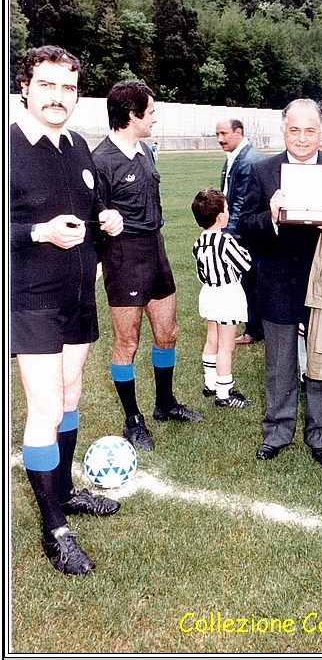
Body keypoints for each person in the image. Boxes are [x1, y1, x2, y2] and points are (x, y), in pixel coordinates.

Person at [11, 45, 124, 575]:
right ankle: (54, 531)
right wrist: (39, 232)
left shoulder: (78, 147)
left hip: (77, 295)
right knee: (47, 408)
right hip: (28, 298)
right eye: (49, 85)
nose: (59, 97)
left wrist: (106, 222)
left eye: (69, 88)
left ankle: (65, 490)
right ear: (25, 87)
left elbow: (89, 210)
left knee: (72, 395)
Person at [237, 99, 322, 465]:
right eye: (295, 130)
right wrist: (270, 216)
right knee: (279, 363)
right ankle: (277, 431)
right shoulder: (262, 170)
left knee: (321, 361)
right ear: (283, 129)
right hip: (278, 279)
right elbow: (245, 224)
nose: (303, 139)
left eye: (310, 130)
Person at [94, 80, 203, 452]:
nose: (155, 118)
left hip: (155, 250)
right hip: (123, 256)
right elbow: (93, 214)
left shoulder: (145, 151)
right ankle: (133, 419)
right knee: (127, 341)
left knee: (168, 332)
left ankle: (165, 403)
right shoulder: (101, 160)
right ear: (132, 115)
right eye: (151, 111)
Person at [191, 187, 252, 407]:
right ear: (221, 216)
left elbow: (200, 273)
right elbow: (244, 264)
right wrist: (245, 251)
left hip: (209, 292)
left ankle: (210, 383)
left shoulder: (199, 243)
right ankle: (225, 392)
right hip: (227, 293)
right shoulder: (225, 242)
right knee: (226, 345)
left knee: (212, 339)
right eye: (226, 209)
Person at [215, 118, 265, 346]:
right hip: (242, 232)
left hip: (247, 235)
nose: (220, 139)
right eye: (217, 134)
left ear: (239, 132)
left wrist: (228, 236)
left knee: (250, 282)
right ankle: (255, 327)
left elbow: (241, 205)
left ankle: (255, 329)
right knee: (249, 282)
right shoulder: (237, 157)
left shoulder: (249, 160)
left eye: (224, 133)